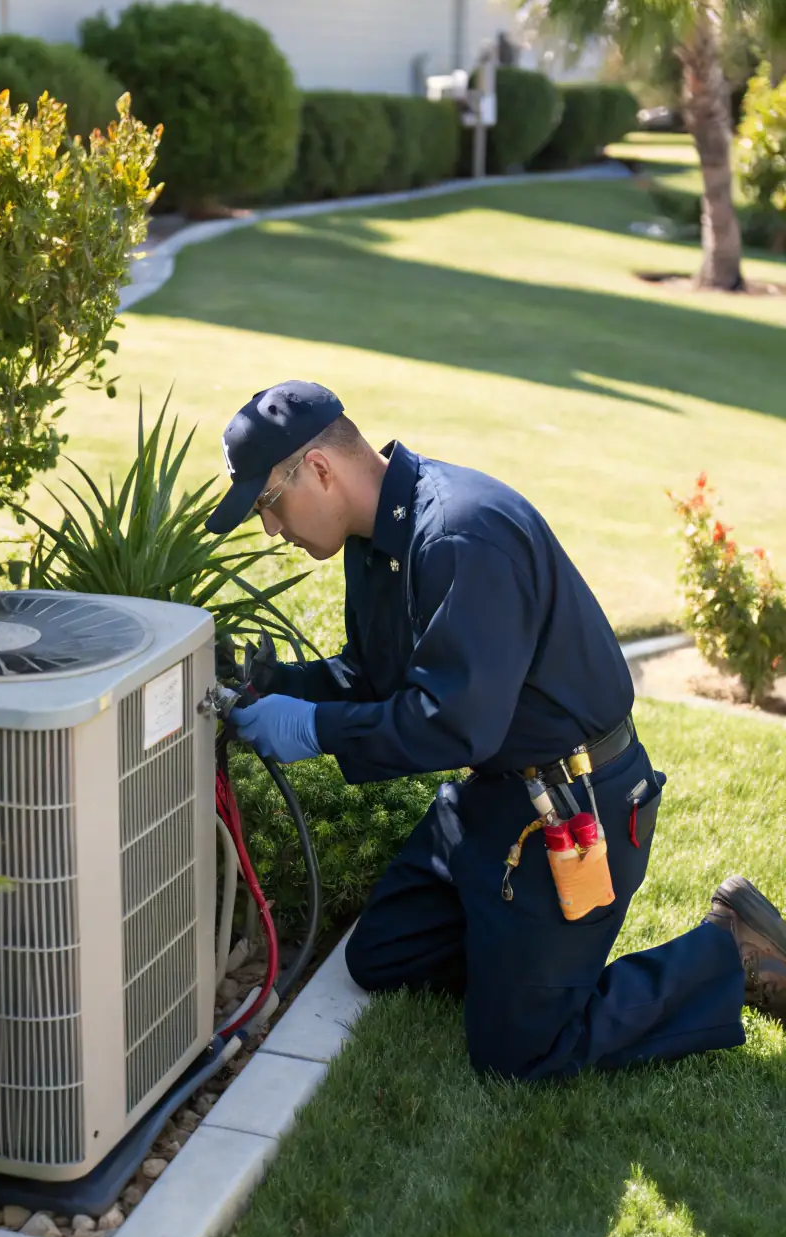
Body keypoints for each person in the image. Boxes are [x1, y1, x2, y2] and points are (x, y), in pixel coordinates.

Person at [205, 380, 786, 1080]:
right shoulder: (376, 538)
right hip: (497, 801)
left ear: (321, 471)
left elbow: (453, 726)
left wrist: (312, 729)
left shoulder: (460, 533)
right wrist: (275, 688)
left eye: (268, 504)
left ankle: (731, 947)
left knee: (520, 1052)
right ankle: (516, 949)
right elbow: (374, 677)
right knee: (379, 954)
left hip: (576, 811)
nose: (271, 528)